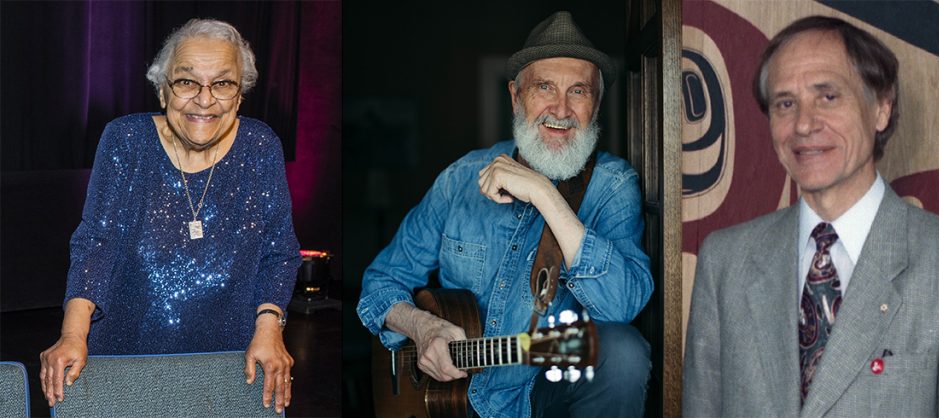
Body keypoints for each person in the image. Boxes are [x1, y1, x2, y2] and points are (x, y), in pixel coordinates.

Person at [682, 15, 939, 416]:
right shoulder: (726, 261)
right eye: (785, 103)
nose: (804, 125)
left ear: (881, 109)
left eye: (828, 97)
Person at [358, 11, 653, 418]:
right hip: (453, 401)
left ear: (596, 103)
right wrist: (422, 328)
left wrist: (544, 194)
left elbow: (622, 307)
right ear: (516, 96)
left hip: (549, 386)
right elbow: (379, 285)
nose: (561, 109)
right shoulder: (460, 179)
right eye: (544, 87)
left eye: (579, 91)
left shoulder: (614, 187)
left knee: (622, 352)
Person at [38, 19, 301, 414]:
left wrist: (269, 327)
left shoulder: (260, 147)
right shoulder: (125, 140)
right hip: (127, 360)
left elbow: (280, 252)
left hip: (230, 367)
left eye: (223, 83)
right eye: (187, 82)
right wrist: (72, 333)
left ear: (240, 95)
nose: (205, 99)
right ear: (163, 90)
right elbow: (97, 242)